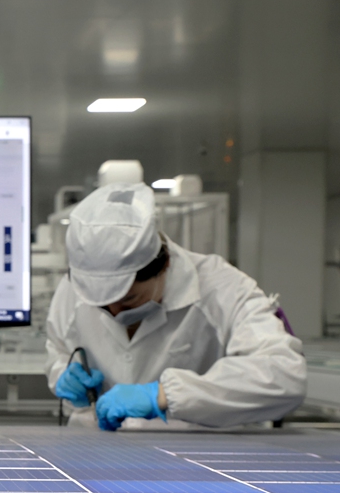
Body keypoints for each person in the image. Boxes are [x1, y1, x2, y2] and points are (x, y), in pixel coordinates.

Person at [46, 182, 306, 431]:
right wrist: (63, 377)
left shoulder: (222, 288)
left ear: (165, 264)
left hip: (197, 461)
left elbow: (283, 375)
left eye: (128, 300)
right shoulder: (75, 288)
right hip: (92, 453)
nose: (115, 313)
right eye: (101, 305)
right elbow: (58, 349)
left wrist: (165, 395)